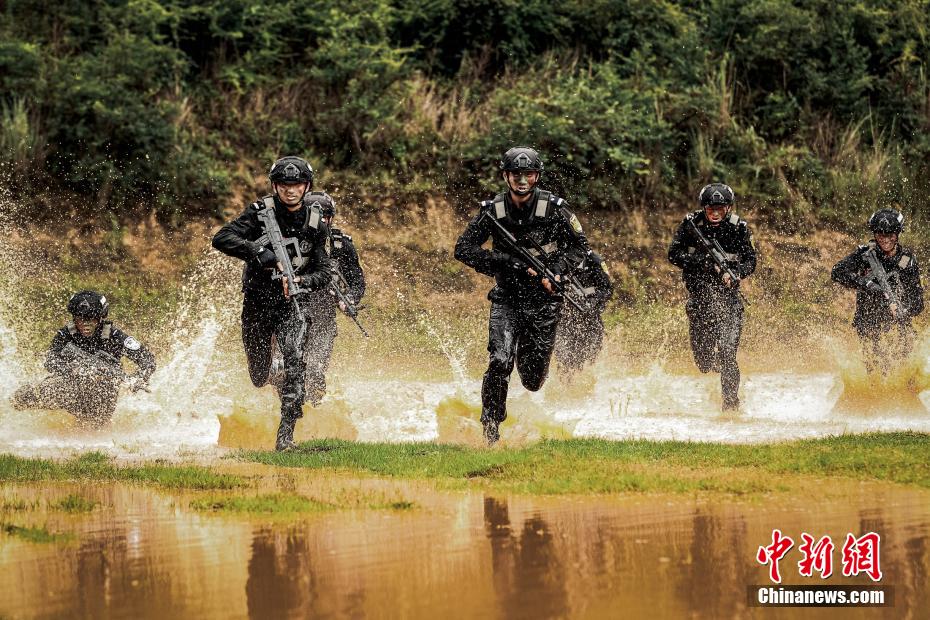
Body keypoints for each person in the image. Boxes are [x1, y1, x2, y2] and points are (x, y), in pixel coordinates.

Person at [455, 146, 590, 444]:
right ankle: (490, 430)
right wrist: (507, 263)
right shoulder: (493, 211)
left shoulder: (555, 208)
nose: (522, 180)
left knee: (531, 380)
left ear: (537, 176)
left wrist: (555, 270)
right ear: (506, 175)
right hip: (507, 299)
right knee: (499, 361)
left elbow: (580, 246)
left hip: (544, 302)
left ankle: (527, 364)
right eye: (516, 174)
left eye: (528, 174)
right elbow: (463, 250)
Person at [212, 156, 332, 451]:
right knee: (259, 375)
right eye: (284, 185)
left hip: (291, 304)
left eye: (297, 184)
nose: (290, 190)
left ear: (306, 187)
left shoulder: (315, 223)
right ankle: (274, 375)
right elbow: (222, 238)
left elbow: (325, 272)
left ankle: (286, 438)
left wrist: (302, 282)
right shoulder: (259, 212)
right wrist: (257, 251)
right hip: (257, 303)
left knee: (296, 365)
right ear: (275, 186)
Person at [668, 183, 756, 412]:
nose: (715, 213)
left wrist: (736, 274)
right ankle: (721, 369)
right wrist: (703, 262)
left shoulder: (740, 228)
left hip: (729, 302)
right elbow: (673, 254)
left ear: (728, 208)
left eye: (720, 208)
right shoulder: (690, 225)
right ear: (704, 208)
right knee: (704, 363)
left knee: (728, 352)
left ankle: (730, 404)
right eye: (710, 209)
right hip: (699, 302)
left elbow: (750, 261)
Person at [11, 290, 155, 427]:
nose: (86, 323)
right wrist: (71, 369)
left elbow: (148, 360)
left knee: (93, 427)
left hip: (102, 395)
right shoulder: (65, 334)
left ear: (100, 318)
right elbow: (50, 360)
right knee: (23, 397)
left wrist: (138, 378)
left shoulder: (114, 336)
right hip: (70, 386)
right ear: (74, 317)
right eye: (81, 319)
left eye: (91, 319)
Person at [831, 208, 924, 373]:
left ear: (898, 234)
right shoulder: (865, 255)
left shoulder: (906, 261)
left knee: (905, 372)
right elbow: (837, 272)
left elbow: (918, 302)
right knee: (875, 372)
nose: (885, 239)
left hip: (898, 324)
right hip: (868, 322)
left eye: (890, 235)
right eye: (880, 235)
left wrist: (904, 310)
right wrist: (867, 285)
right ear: (874, 234)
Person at [301, 191, 366, 405]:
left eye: (326, 216)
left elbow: (357, 282)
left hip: (323, 319)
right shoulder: (291, 241)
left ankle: (315, 413)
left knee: (315, 370)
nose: (321, 221)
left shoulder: (341, 245)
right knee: (284, 370)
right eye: (314, 215)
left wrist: (349, 299)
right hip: (291, 315)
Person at [554, 250, 613, 377]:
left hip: (591, 320)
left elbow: (607, 289)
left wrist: (593, 302)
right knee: (565, 364)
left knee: (588, 363)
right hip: (565, 321)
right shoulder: (556, 260)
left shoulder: (594, 261)